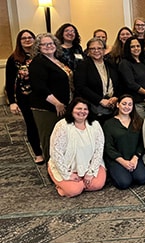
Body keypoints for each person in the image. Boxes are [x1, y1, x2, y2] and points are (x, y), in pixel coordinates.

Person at [48, 98, 106, 197]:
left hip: (88, 165)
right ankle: (66, 185)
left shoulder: (95, 125)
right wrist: (68, 174)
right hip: (68, 166)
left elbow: (99, 149)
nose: (82, 112)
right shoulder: (62, 126)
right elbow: (56, 152)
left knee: (97, 184)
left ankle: (80, 184)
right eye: (78, 108)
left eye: (85, 109)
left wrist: (91, 172)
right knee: (74, 191)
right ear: (71, 110)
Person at [29, 33, 73, 163]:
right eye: (44, 44)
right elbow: (39, 87)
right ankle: (52, 167)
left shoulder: (58, 60)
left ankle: (62, 165)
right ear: (38, 47)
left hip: (63, 105)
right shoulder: (38, 63)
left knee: (61, 138)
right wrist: (57, 103)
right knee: (50, 139)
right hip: (47, 108)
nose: (49, 46)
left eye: (51, 43)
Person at [5, 29, 44, 164]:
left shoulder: (41, 56)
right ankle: (38, 153)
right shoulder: (14, 59)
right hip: (25, 97)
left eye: (30, 37)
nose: (27, 40)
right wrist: (12, 102)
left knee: (43, 124)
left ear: (35, 40)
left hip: (42, 96)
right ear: (19, 42)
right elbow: (9, 82)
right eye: (24, 38)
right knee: (31, 124)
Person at [103, 95, 145, 189]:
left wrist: (135, 158)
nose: (127, 107)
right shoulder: (109, 124)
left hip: (134, 157)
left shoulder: (138, 121)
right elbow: (108, 147)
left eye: (130, 104)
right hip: (117, 159)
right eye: (124, 104)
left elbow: (142, 142)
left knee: (141, 179)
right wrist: (123, 162)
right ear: (118, 105)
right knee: (124, 183)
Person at [75, 38, 120, 124]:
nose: (96, 51)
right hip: (93, 109)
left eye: (99, 48)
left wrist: (115, 97)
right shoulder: (83, 66)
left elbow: (118, 83)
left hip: (111, 107)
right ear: (88, 51)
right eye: (93, 48)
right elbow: (81, 87)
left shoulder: (110, 64)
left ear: (104, 50)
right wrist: (100, 100)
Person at [120, 37, 145, 118]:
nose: (136, 48)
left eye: (138, 46)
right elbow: (131, 83)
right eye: (132, 47)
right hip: (136, 103)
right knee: (139, 126)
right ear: (128, 49)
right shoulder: (125, 63)